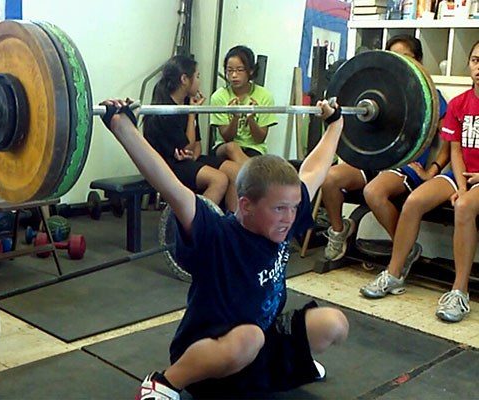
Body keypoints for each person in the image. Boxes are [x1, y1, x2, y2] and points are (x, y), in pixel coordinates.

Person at [98, 97, 348, 399]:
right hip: (211, 347)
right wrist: (121, 125)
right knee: (249, 337)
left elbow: (315, 170)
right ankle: (165, 382)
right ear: (246, 205)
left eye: (294, 208)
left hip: (258, 342)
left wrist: (335, 124)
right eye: (281, 209)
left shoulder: (282, 218)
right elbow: (169, 184)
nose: (290, 218)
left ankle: (287, 365)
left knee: (333, 324)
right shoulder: (218, 234)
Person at [360, 40, 479, 323]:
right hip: (460, 174)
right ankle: (394, 273)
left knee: (464, 208)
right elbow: (455, 150)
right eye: (475, 60)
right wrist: (460, 186)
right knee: (414, 201)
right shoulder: (461, 103)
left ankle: (459, 292)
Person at [321, 34, 449, 262]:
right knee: (329, 178)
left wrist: (433, 170)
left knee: (374, 192)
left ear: (419, 61)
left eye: (407, 58)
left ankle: (405, 250)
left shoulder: (432, 97)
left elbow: (451, 138)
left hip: (404, 164)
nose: (401, 64)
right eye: (394, 58)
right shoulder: (376, 90)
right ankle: (340, 231)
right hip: (373, 161)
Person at [144, 55, 240, 211]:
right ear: (184, 79)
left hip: (186, 161)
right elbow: (187, 147)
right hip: (166, 166)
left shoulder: (189, 103)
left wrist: (191, 153)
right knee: (219, 179)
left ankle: (230, 226)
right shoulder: (166, 109)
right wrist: (192, 114)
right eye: (197, 76)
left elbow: (195, 148)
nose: (199, 81)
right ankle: (195, 225)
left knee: (235, 171)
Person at [210, 45, 278, 165]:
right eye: (230, 70)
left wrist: (251, 118)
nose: (234, 75)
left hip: (254, 149)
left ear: (250, 70)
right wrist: (235, 117)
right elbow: (227, 137)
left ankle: (250, 174)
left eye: (240, 70)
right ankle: (253, 174)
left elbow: (260, 139)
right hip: (224, 147)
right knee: (232, 147)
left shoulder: (264, 96)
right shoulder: (219, 96)